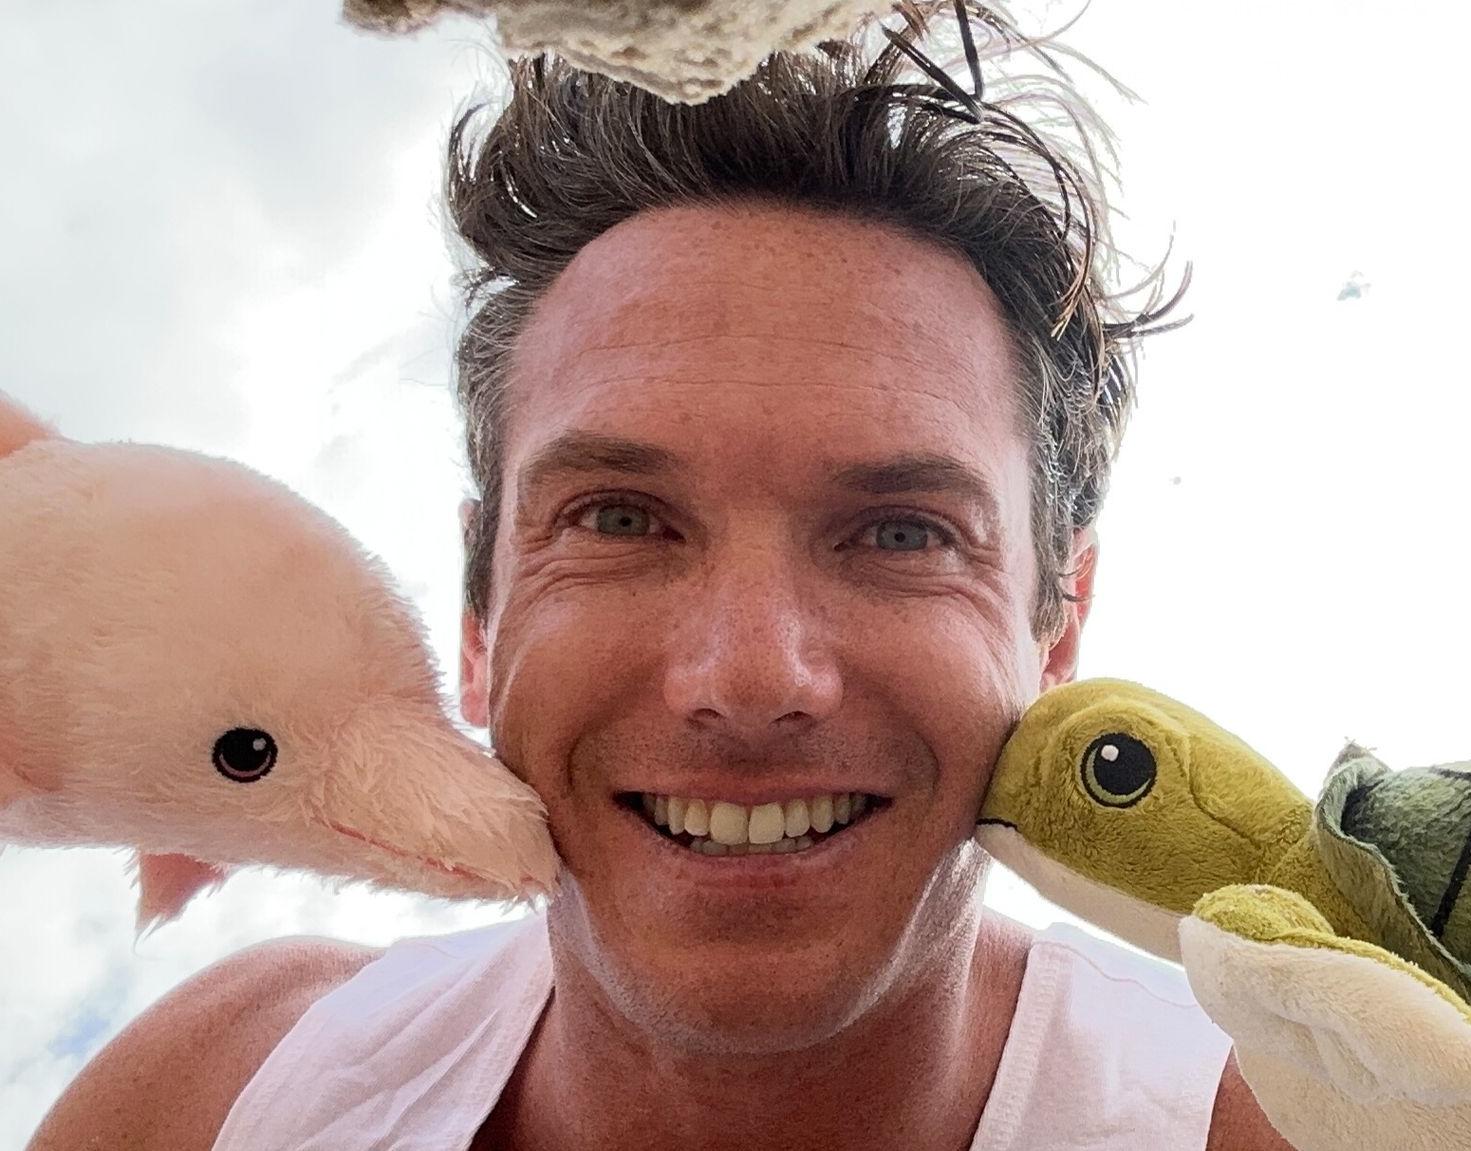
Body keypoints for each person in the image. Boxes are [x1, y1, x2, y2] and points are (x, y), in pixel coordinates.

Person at [30, 6, 1293, 1149]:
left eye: (902, 534)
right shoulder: (220, 1087)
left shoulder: (1278, 1124)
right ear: (479, 627)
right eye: (620, 518)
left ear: (1056, 631)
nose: (748, 676)